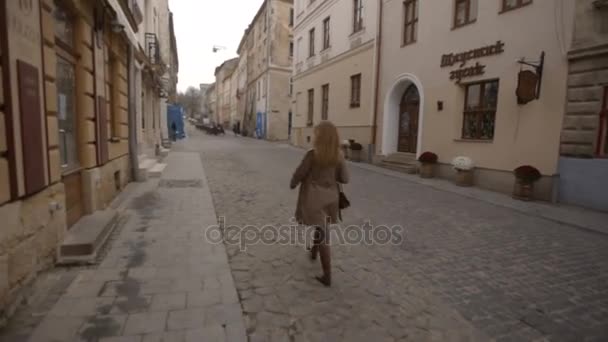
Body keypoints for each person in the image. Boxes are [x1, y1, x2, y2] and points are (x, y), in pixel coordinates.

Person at [290, 121, 349, 287]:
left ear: (319, 136)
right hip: (331, 197)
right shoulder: (338, 155)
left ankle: (327, 275)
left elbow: (300, 172)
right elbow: (345, 178)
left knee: (322, 233)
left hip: (313, 197)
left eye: (316, 133)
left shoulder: (312, 154)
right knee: (321, 226)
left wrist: (293, 183)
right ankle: (314, 253)